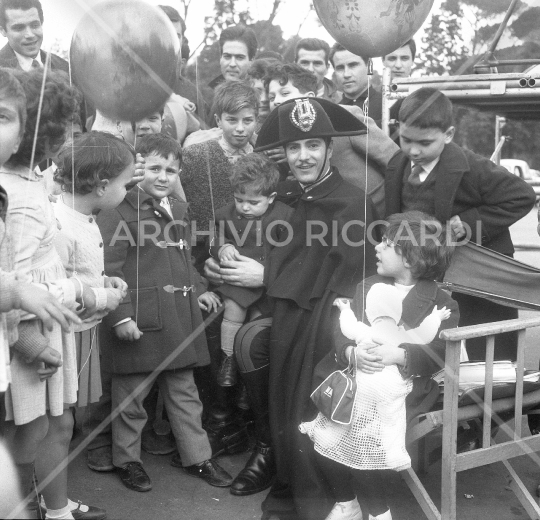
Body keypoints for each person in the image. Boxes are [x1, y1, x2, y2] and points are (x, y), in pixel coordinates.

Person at [208, 98, 378, 520]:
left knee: (297, 376)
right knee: (250, 345)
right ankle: (271, 451)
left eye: (313, 146)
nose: (303, 157)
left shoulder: (352, 202)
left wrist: (264, 278)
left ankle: (314, 487)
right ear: (283, 153)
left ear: (329, 149)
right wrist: (220, 261)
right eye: (294, 148)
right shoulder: (282, 194)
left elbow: (353, 285)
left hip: (328, 322)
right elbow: (244, 239)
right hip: (281, 311)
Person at [96, 133, 231, 493]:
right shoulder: (118, 210)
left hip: (178, 318)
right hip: (139, 318)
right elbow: (110, 269)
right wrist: (120, 317)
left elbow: (184, 260)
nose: (163, 176)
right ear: (137, 167)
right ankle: (128, 461)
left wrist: (200, 291)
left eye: (171, 170)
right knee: (131, 398)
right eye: (154, 167)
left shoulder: (179, 210)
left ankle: (198, 457)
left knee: (185, 393)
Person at [307, 211, 460, 520]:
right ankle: (347, 503)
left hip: (403, 388)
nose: (377, 247)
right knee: (324, 437)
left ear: (409, 257)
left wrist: (400, 356)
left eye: (387, 243)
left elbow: (441, 353)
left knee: (363, 443)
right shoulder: (369, 286)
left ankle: (379, 512)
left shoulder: (441, 302)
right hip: (356, 376)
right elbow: (342, 329)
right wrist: (351, 352)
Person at [1, 68, 105, 520]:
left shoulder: (27, 185)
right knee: (28, 430)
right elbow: (14, 281)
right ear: (43, 134)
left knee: (40, 427)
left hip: (36, 328)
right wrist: (30, 344)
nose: (71, 138)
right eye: (66, 129)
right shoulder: (20, 198)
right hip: (25, 337)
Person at [385, 87, 536, 361]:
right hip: (428, 277)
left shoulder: (473, 167)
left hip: (478, 281)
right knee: (432, 351)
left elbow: (522, 196)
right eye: (406, 139)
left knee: (489, 356)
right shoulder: (397, 164)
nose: (414, 150)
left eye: (425, 143)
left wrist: (469, 223)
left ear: (449, 135)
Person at [52, 132, 132, 411]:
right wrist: (101, 297)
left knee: (72, 412)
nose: (127, 191)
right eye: (125, 184)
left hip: (82, 330)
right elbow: (54, 290)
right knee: (61, 414)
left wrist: (104, 281)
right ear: (102, 186)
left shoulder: (83, 218)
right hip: (65, 336)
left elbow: (79, 271)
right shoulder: (61, 227)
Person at [264, 62, 398, 217]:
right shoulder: (280, 134)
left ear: (309, 98)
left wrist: (394, 211)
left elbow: (395, 160)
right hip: (329, 215)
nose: (276, 101)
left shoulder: (344, 117)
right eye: (272, 97)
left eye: (285, 93)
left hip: (372, 211)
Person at [210, 153, 293, 387]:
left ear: (271, 197)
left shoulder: (284, 216)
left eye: (253, 202)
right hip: (237, 283)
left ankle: (248, 375)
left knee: (255, 328)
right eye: (239, 200)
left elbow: (289, 250)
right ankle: (229, 361)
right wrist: (222, 247)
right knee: (233, 309)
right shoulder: (226, 214)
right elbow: (214, 237)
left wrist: (270, 270)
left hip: (266, 286)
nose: (245, 207)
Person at [182, 80, 259, 267]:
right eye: (232, 120)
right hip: (199, 256)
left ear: (256, 120)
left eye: (247, 120)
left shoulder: (263, 160)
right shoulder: (195, 155)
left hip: (250, 256)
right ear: (218, 121)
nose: (240, 128)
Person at [0, 0, 67, 73]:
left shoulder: (63, 66)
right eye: (19, 28)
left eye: (35, 25)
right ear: (3, 30)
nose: (30, 35)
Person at [331, 43, 383, 126]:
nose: (346, 74)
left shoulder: (386, 106)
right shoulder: (332, 112)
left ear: (369, 66)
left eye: (353, 65)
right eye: (340, 68)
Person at [382, 39, 416, 142]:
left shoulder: (425, 98)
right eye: (392, 58)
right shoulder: (372, 101)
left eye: (404, 58)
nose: (398, 65)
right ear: (383, 61)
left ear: (412, 61)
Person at [208, 25, 259, 89]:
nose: (232, 64)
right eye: (227, 56)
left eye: (240, 57)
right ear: (220, 58)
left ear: (252, 60)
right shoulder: (206, 94)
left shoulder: (262, 94)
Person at [295, 38, 341, 103]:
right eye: (304, 63)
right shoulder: (280, 98)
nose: (310, 69)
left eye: (317, 63)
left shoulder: (341, 100)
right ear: (295, 66)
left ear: (327, 68)